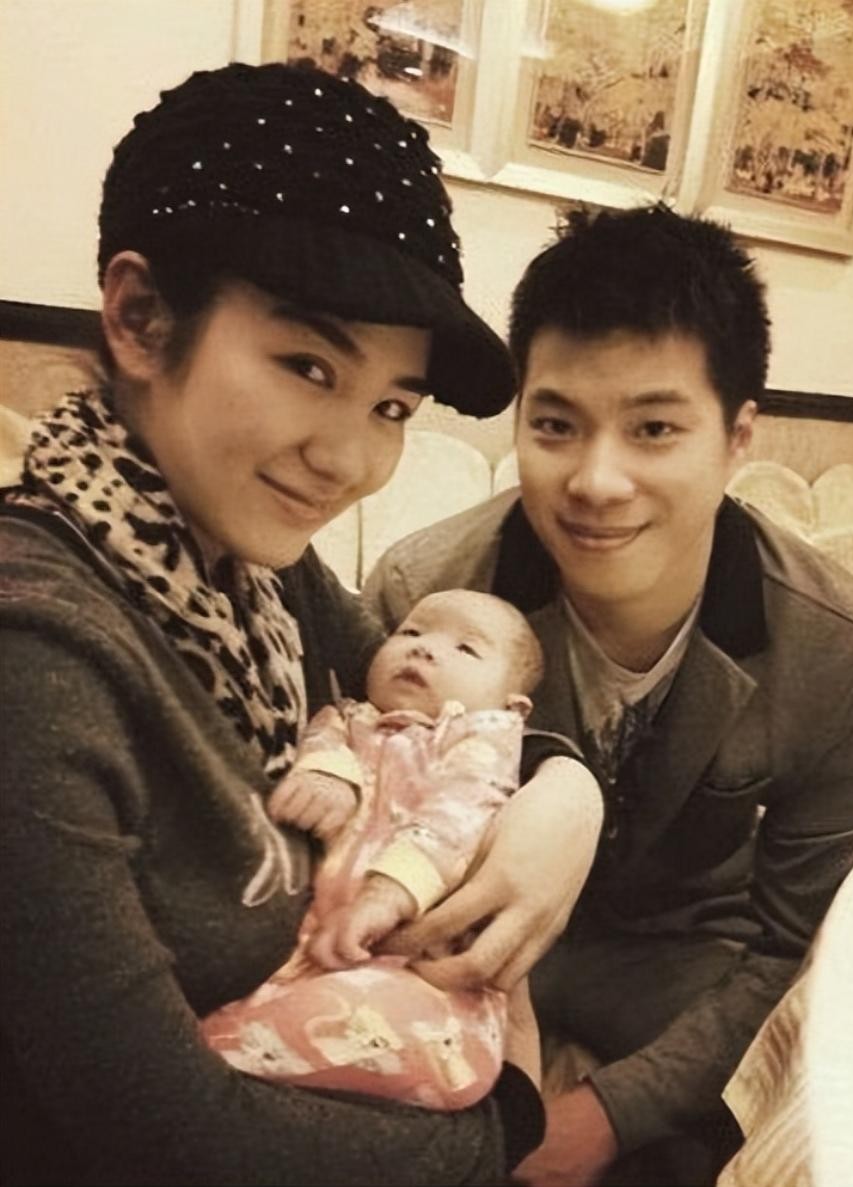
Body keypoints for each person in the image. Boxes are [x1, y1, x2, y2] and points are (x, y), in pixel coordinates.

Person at [0, 62, 606, 1186]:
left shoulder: (251, 573)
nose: (349, 457)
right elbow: (162, 1132)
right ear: (140, 318)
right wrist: (509, 1123)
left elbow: (423, 685)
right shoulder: (38, 652)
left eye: (390, 405)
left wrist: (569, 788)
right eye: (308, 364)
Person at [363, 204, 853, 1186]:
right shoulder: (424, 595)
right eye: (555, 425)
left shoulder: (843, 651)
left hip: (678, 966)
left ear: (737, 436)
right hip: (464, 945)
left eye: (654, 427)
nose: (595, 480)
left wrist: (609, 1115)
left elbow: (792, 944)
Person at [201, 588, 545, 1111]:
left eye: (466, 648)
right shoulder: (348, 719)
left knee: (398, 1030)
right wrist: (331, 775)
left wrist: (388, 895)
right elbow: (319, 738)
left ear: (512, 705)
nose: (425, 648)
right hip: (315, 949)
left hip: (424, 974)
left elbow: (459, 815)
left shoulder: (479, 738)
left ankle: (215, 1056)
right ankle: (226, 1056)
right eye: (411, 632)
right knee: (288, 1003)